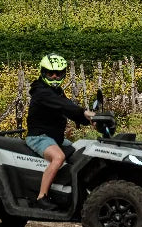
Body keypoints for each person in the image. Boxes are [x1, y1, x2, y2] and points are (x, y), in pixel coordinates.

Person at [26, 53, 94, 210]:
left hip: (54, 138)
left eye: (58, 73)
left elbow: (68, 108)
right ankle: (41, 197)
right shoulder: (41, 92)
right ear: (43, 73)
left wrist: (89, 121)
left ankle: (71, 190)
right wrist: (84, 112)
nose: (55, 77)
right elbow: (63, 105)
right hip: (39, 137)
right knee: (58, 157)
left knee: (80, 151)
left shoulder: (56, 91)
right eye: (51, 73)